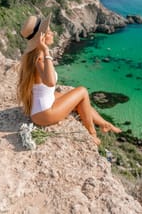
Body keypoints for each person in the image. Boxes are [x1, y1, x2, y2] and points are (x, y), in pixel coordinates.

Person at [17, 14, 121, 145]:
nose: (53, 33)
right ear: (42, 38)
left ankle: (104, 123)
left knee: (78, 100)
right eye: (49, 31)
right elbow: (50, 82)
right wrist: (46, 51)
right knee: (82, 91)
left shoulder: (33, 56)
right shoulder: (40, 58)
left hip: (42, 107)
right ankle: (92, 135)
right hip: (44, 114)